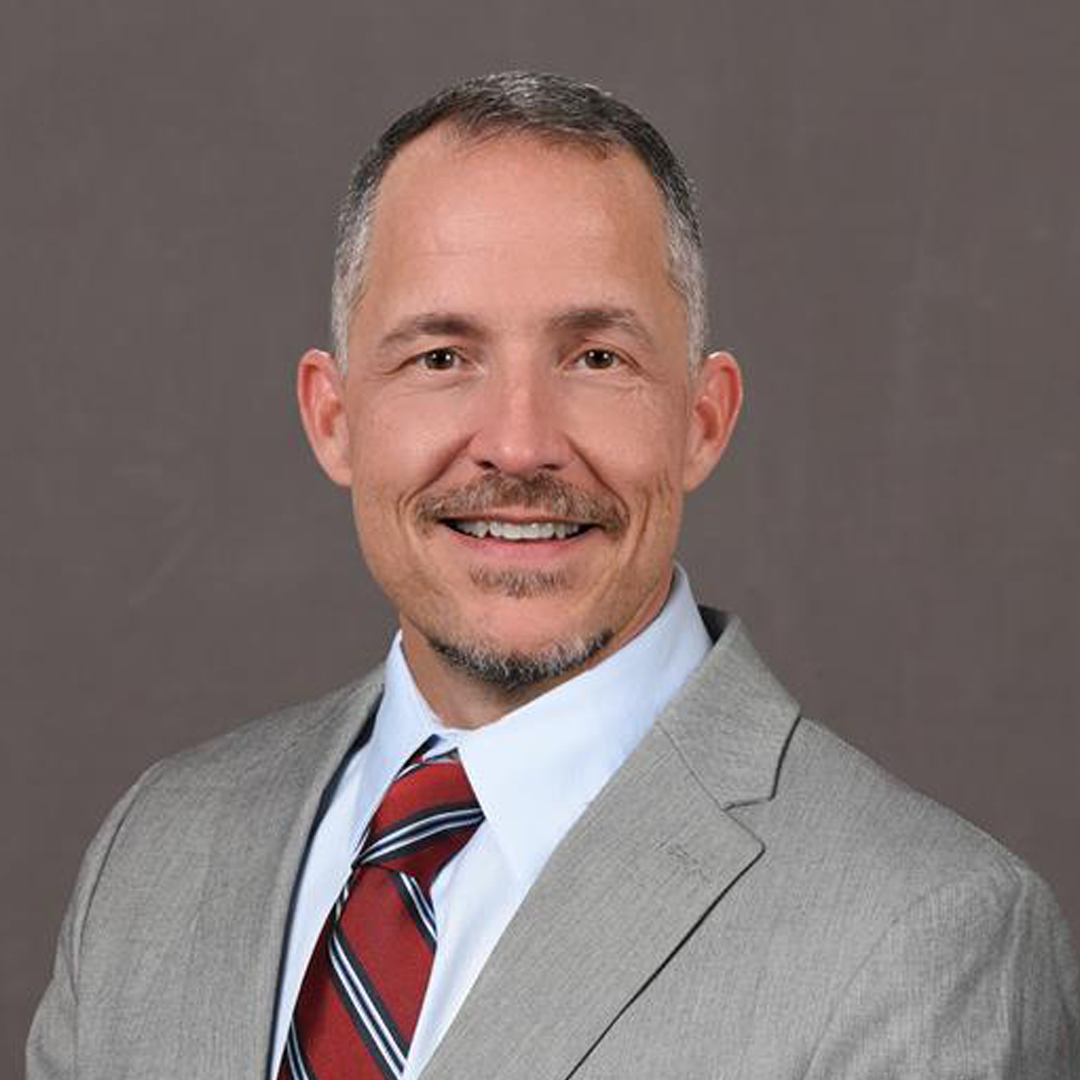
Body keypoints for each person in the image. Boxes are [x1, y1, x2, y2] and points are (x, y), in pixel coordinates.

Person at [27, 71, 1078, 1080]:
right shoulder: (158, 851)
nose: (519, 446)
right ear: (333, 417)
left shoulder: (928, 936)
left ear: (701, 421)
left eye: (596, 358)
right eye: (442, 357)